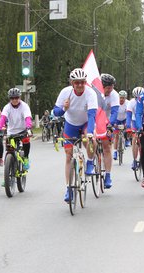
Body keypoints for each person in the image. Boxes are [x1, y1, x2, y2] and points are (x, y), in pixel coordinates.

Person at [53, 68, 97, 202]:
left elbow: (92, 115)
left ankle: (90, 162)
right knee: (68, 156)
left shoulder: (90, 93)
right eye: (77, 82)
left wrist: (89, 133)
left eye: (82, 82)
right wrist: (64, 109)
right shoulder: (65, 92)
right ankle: (69, 189)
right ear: (72, 83)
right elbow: (56, 112)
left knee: (91, 140)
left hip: (85, 123)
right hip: (71, 124)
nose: (79, 85)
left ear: (85, 82)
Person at [0, 88, 33, 170]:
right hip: (11, 132)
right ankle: (8, 175)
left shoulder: (24, 106)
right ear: (10, 99)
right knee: (10, 152)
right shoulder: (7, 107)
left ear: (20, 98)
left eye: (16, 98)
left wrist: (29, 128)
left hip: (23, 130)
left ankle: (26, 158)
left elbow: (27, 118)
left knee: (26, 141)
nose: (14, 100)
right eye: (12, 98)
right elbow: (3, 118)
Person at [97, 73, 119, 188]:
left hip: (107, 120)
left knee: (106, 147)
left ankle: (108, 175)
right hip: (96, 119)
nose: (110, 90)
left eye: (112, 87)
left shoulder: (114, 95)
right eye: (108, 88)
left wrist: (110, 125)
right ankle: (93, 158)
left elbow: (115, 111)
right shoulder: (95, 92)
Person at [126, 86, 144, 170]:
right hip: (134, 121)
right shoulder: (132, 102)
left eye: (140, 97)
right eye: (136, 98)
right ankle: (134, 159)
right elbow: (128, 115)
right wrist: (128, 127)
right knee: (134, 139)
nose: (138, 99)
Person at [113, 90, 129, 160]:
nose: (121, 99)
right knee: (116, 136)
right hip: (117, 119)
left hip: (125, 119)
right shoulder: (116, 103)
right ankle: (115, 151)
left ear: (125, 98)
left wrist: (127, 123)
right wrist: (114, 123)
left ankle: (127, 139)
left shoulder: (128, 103)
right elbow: (113, 113)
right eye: (120, 98)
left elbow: (129, 114)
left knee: (128, 128)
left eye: (123, 98)